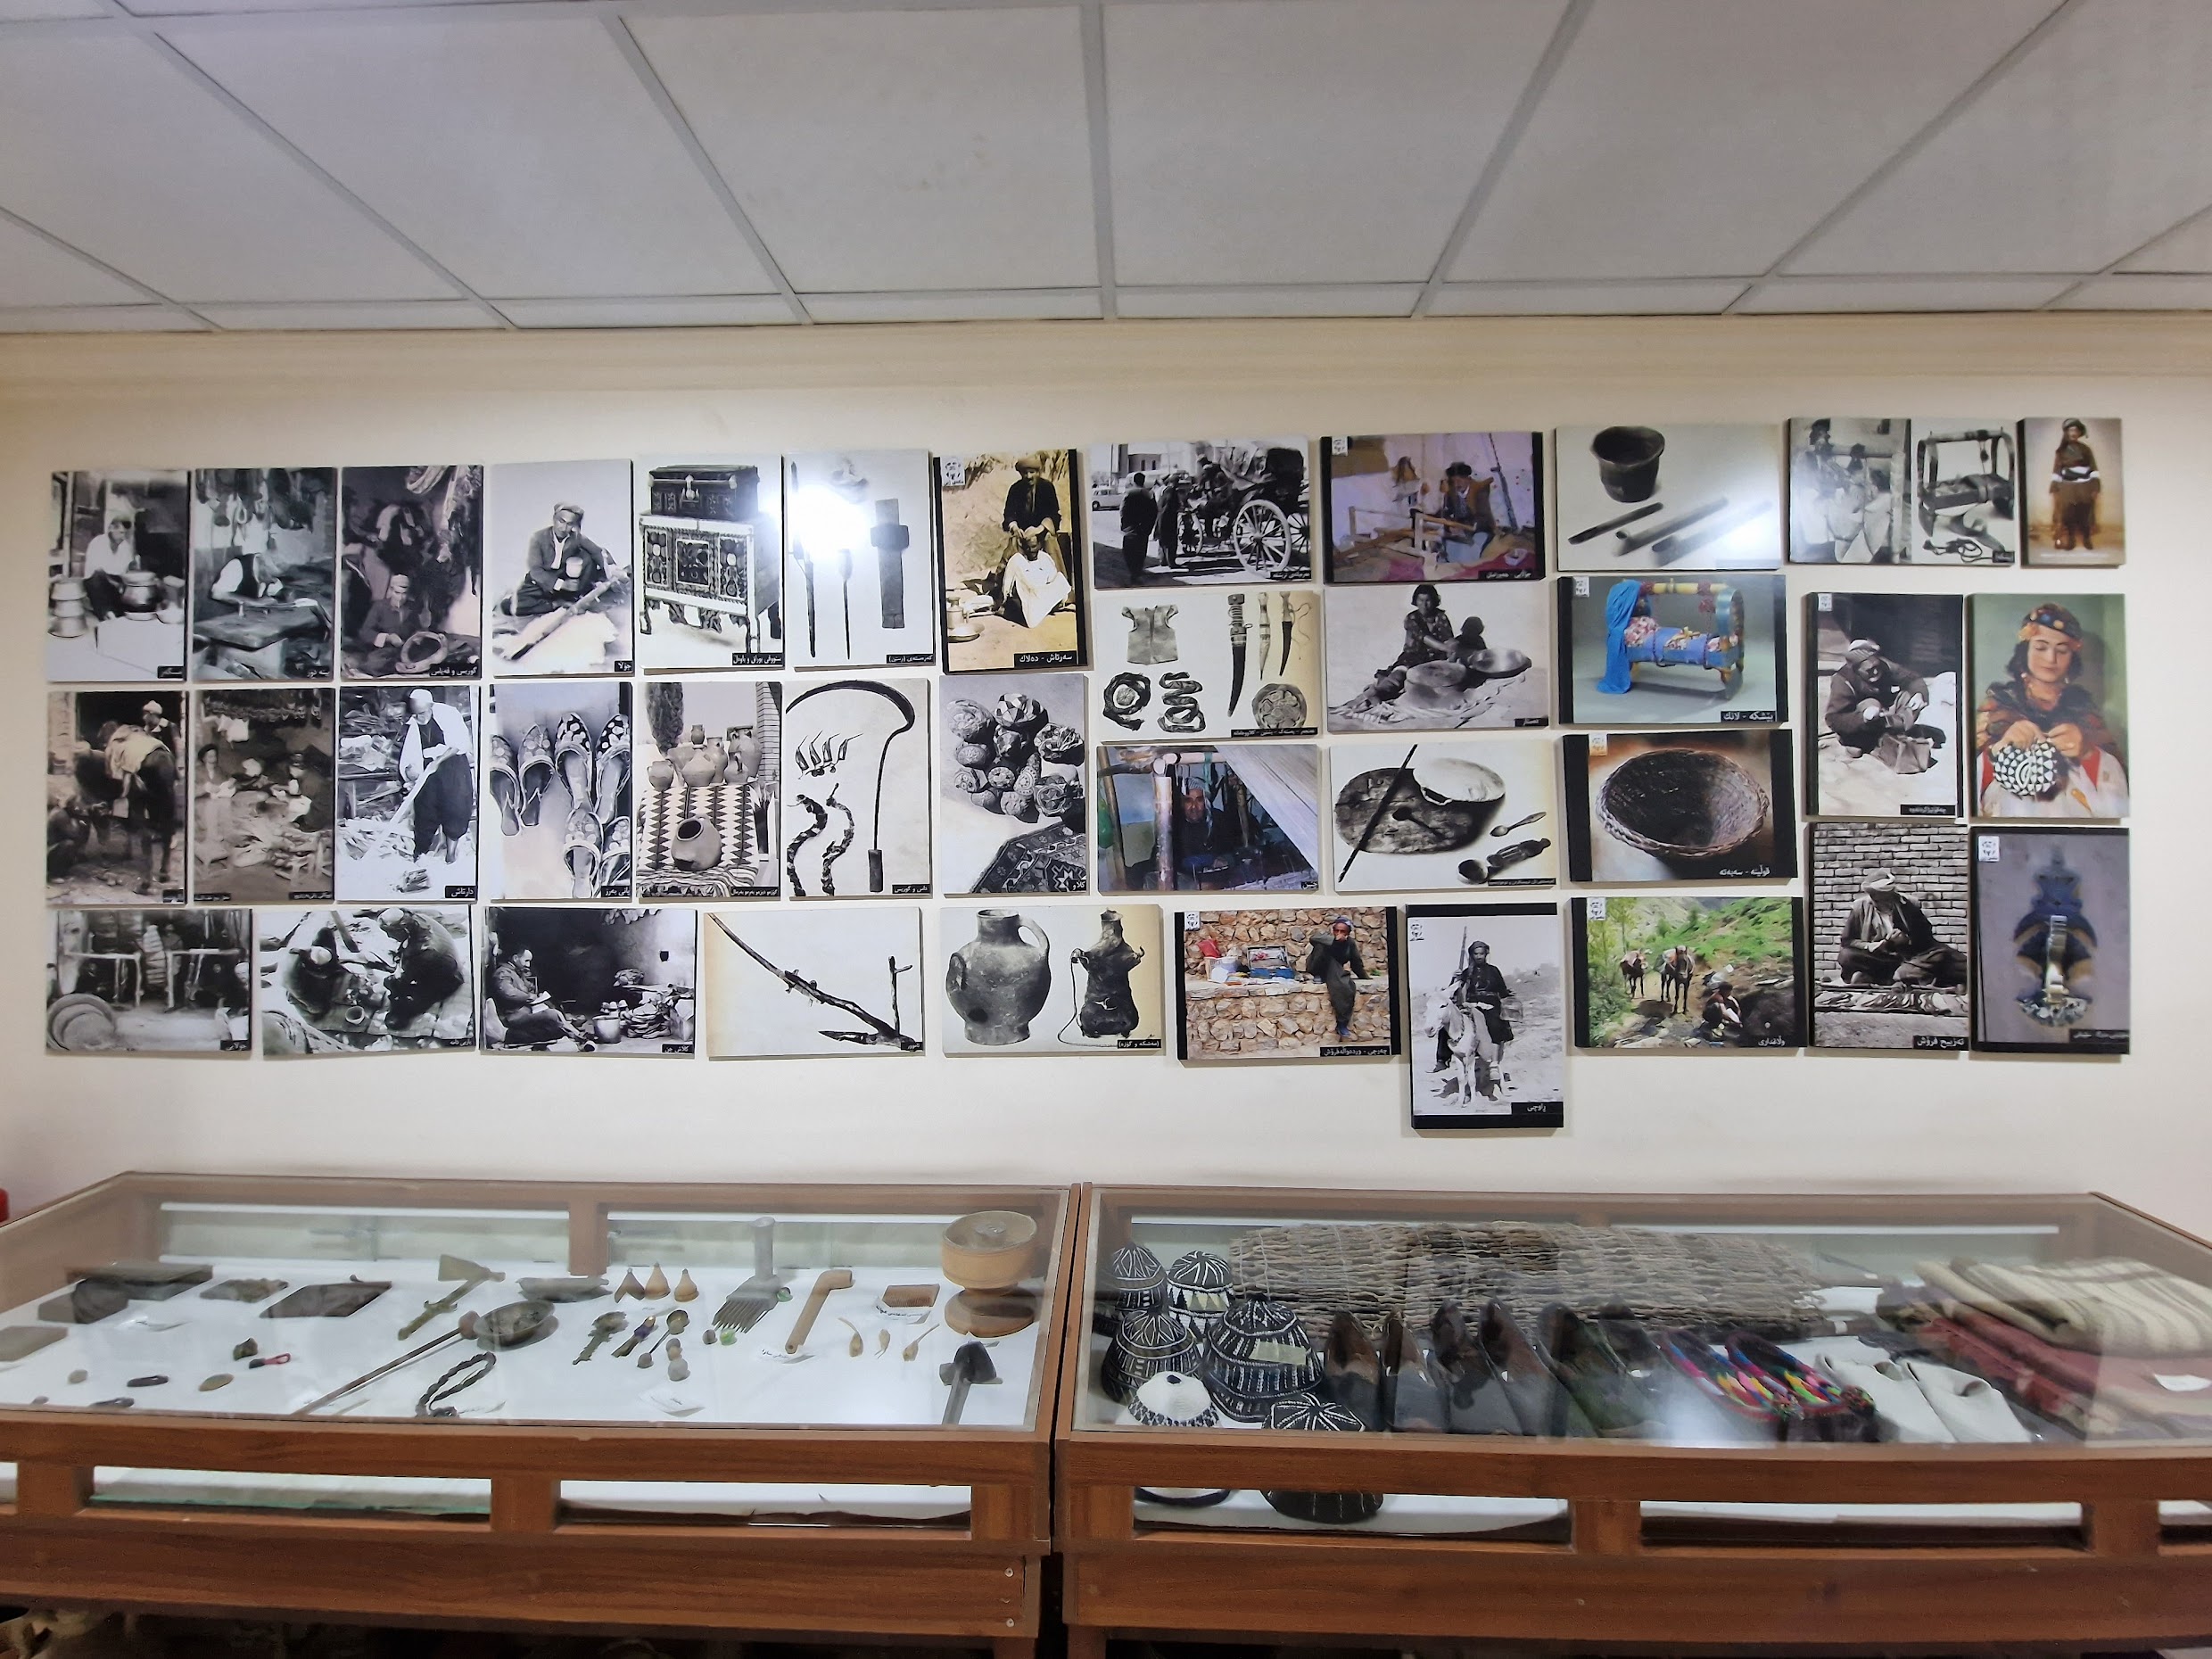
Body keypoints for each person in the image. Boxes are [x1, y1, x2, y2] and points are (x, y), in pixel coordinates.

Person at [1975, 602, 2128, 816]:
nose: (2051, 659)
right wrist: (2000, 749)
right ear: (2025, 651)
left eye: (2062, 650)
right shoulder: (1997, 706)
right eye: (2041, 647)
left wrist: (2088, 753)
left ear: (2072, 657)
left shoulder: (2085, 712)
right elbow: (1963, 780)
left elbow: (2119, 800)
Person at [1836, 871, 1964, 987]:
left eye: (1882, 897)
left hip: (1907, 958)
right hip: (1877, 959)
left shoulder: (1909, 904)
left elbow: (1926, 937)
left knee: (1942, 955)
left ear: (1890, 893)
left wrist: (1907, 939)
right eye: (1873, 896)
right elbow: (1847, 940)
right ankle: (1892, 978)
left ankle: (1882, 978)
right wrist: (1870, 946)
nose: (1877, 900)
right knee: (1846, 956)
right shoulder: (1860, 907)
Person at [1823, 639, 1942, 757]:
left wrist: (1919, 694)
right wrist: (1863, 718)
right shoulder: (1842, 680)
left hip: (1884, 714)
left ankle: (1896, 732)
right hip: (1863, 720)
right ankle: (1872, 739)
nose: (1876, 672)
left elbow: (1912, 678)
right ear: (1856, 669)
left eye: (1877, 666)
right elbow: (1833, 719)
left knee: (1907, 696)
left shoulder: (1885, 665)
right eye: (1869, 670)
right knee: (1871, 703)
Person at [995, 457, 1072, 627]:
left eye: (1032, 472)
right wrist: (1015, 526)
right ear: (1020, 474)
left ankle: (1060, 593)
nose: (1029, 476)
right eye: (1025, 473)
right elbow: (1009, 514)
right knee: (1013, 546)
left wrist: (1039, 529)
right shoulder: (1015, 489)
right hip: (1023, 532)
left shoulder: (1047, 487)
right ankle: (1005, 591)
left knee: (1050, 543)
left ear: (1038, 472)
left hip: (1041, 530)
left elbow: (1054, 514)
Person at [400, 689, 473, 864]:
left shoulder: (448, 715)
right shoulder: (414, 723)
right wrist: (411, 771)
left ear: (430, 707)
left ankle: (451, 853)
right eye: (416, 714)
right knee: (425, 808)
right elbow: (411, 753)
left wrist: (438, 761)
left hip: (453, 766)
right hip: (428, 769)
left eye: (422, 713)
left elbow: (458, 745)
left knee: (455, 807)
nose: (419, 718)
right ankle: (420, 852)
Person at [512, 502, 612, 617]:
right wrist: (562, 584)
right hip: (543, 583)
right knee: (514, 604)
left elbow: (598, 552)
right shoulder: (538, 538)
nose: (564, 528)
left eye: (569, 524)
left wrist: (612, 569)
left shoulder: (576, 537)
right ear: (554, 519)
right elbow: (536, 571)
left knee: (587, 557)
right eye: (561, 521)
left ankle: (579, 596)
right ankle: (555, 604)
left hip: (567, 579)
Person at [1433, 938, 1512, 1083]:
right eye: (1476, 954)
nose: (1479, 956)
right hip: (1470, 1004)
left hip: (1490, 1004)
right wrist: (1454, 978)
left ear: (1486, 954)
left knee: (1495, 1024)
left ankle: (1494, 1064)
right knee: (1447, 1025)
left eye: (1482, 953)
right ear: (1472, 955)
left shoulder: (1493, 970)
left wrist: (1509, 1000)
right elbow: (1453, 990)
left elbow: (1502, 990)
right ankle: (1442, 1060)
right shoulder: (1466, 972)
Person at [488, 945, 581, 1048]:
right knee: (552, 1015)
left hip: (524, 1011)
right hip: (514, 1016)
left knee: (552, 1010)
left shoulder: (515, 971)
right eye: (526, 961)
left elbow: (526, 986)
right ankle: (573, 1032)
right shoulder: (503, 973)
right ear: (515, 958)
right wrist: (529, 996)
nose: (528, 964)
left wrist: (535, 992)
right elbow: (508, 992)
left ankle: (570, 1030)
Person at [1305, 916, 1370, 1043]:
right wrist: (1334, 940)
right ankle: (1318, 975)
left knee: (1344, 987)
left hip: (1334, 969)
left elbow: (1356, 962)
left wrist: (1364, 977)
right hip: (1319, 966)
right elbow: (1313, 938)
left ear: (1348, 933)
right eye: (1337, 930)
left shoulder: (1350, 944)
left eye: (1342, 931)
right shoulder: (1325, 937)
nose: (1339, 933)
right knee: (1321, 947)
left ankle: (1342, 1022)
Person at [354, 570, 429, 678]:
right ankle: (400, 667)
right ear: (391, 591)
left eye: (404, 594)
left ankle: (403, 666)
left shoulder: (412, 607)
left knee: (429, 654)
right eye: (397, 593)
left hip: (407, 649)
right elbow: (365, 632)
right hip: (385, 650)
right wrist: (388, 638)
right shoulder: (379, 607)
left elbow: (417, 627)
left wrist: (418, 635)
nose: (400, 598)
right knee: (375, 662)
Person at [2047, 418, 2102, 550]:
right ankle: (2071, 540)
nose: (2073, 433)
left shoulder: (2086, 449)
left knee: (2085, 513)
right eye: (2071, 430)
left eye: (2076, 431)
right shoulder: (2061, 451)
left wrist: (2095, 486)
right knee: (2069, 514)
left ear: (2079, 433)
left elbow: (2093, 468)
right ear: (2067, 433)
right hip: (2068, 487)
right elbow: (2057, 470)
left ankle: (2087, 538)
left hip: (2084, 486)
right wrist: (2054, 485)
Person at [80, 501, 140, 620]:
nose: (123, 537)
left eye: (125, 534)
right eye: (121, 533)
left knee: (128, 596)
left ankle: (118, 613)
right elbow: (98, 571)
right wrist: (116, 584)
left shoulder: (125, 546)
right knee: (97, 581)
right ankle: (105, 613)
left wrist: (133, 571)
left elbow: (126, 571)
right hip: (97, 580)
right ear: (111, 528)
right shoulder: (98, 543)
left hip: (115, 581)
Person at [1432, 461, 1495, 561]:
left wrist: (1463, 528)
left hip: (1481, 529)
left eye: (1459, 480)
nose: (1456, 484)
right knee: (1442, 542)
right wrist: (1448, 524)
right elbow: (1447, 512)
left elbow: (1483, 518)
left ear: (1468, 479)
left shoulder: (1480, 491)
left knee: (1471, 549)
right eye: (1454, 481)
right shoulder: (1451, 493)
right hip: (1459, 528)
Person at [1395, 582, 1455, 668]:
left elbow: (1447, 638)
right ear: (1416, 601)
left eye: (1428, 600)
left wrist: (1452, 648)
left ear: (1433, 601)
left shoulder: (1440, 616)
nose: (1424, 605)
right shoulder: (1412, 618)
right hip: (1412, 658)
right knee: (1399, 673)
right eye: (1421, 600)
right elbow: (1424, 637)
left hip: (1436, 658)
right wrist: (1445, 648)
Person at [1118, 472, 1158, 584]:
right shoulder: (1149, 494)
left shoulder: (1129, 493)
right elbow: (1154, 511)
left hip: (1130, 528)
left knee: (1129, 551)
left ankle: (1134, 573)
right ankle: (1138, 571)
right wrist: (1149, 527)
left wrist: (1124, 526)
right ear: (1143, 481)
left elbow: (1123, 511)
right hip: (1144, 528)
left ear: (1133, 481)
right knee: (1141, 550)